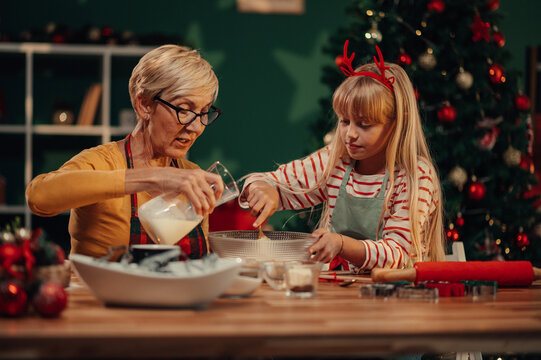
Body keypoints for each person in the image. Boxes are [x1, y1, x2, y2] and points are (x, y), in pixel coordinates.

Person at [240, 41, 445, 271]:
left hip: (399, 297)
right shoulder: (336, 160)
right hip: (345, 292)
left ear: (396, 124)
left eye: (365, 124)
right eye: (344, 121)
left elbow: (396, 254)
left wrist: (341, 244)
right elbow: (264, 180)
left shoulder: (414, 175)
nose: (350, 134)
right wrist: (265, 187)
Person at [26, 44, 224, 259]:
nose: (196, 127)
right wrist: (154, 178)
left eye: (204, 112)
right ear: (145, 105)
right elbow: (39, 198)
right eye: (184, 109)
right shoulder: (102, 162)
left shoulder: (191, 175)